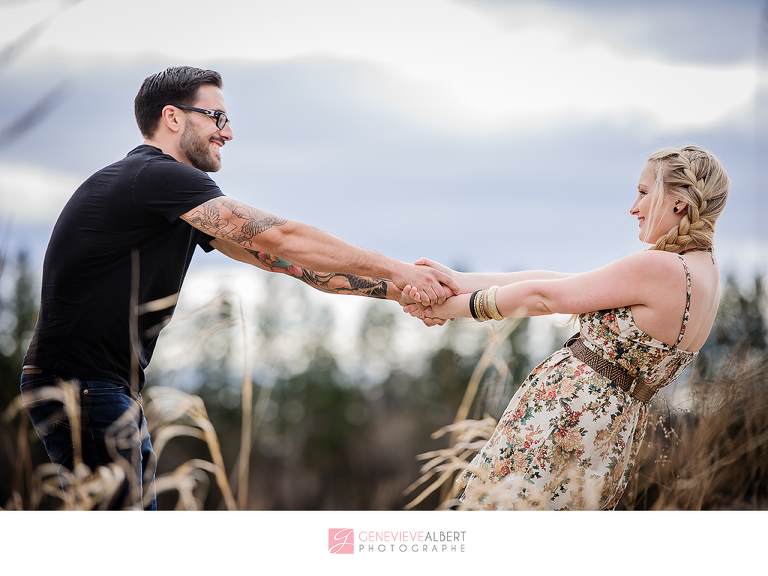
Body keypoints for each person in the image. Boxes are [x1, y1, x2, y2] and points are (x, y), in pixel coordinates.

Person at [20, 66, 458, 510]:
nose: (227, 133)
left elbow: (288, 263)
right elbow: (281, 237)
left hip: (96, 386)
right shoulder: (156, 177)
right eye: (217, 118)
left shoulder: (170, 201)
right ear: (173, 118)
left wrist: (401, 292)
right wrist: (402, 270)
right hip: (83, 386)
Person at [403, 145, 729, 510]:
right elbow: (561, 282)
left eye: (642, 192)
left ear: (678, 202)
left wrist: (452, 307)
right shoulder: (706, 274)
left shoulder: (662, 268)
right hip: (606, 432)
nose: (633, 208)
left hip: (563, 423)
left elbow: (545, 297)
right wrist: (459, 280)